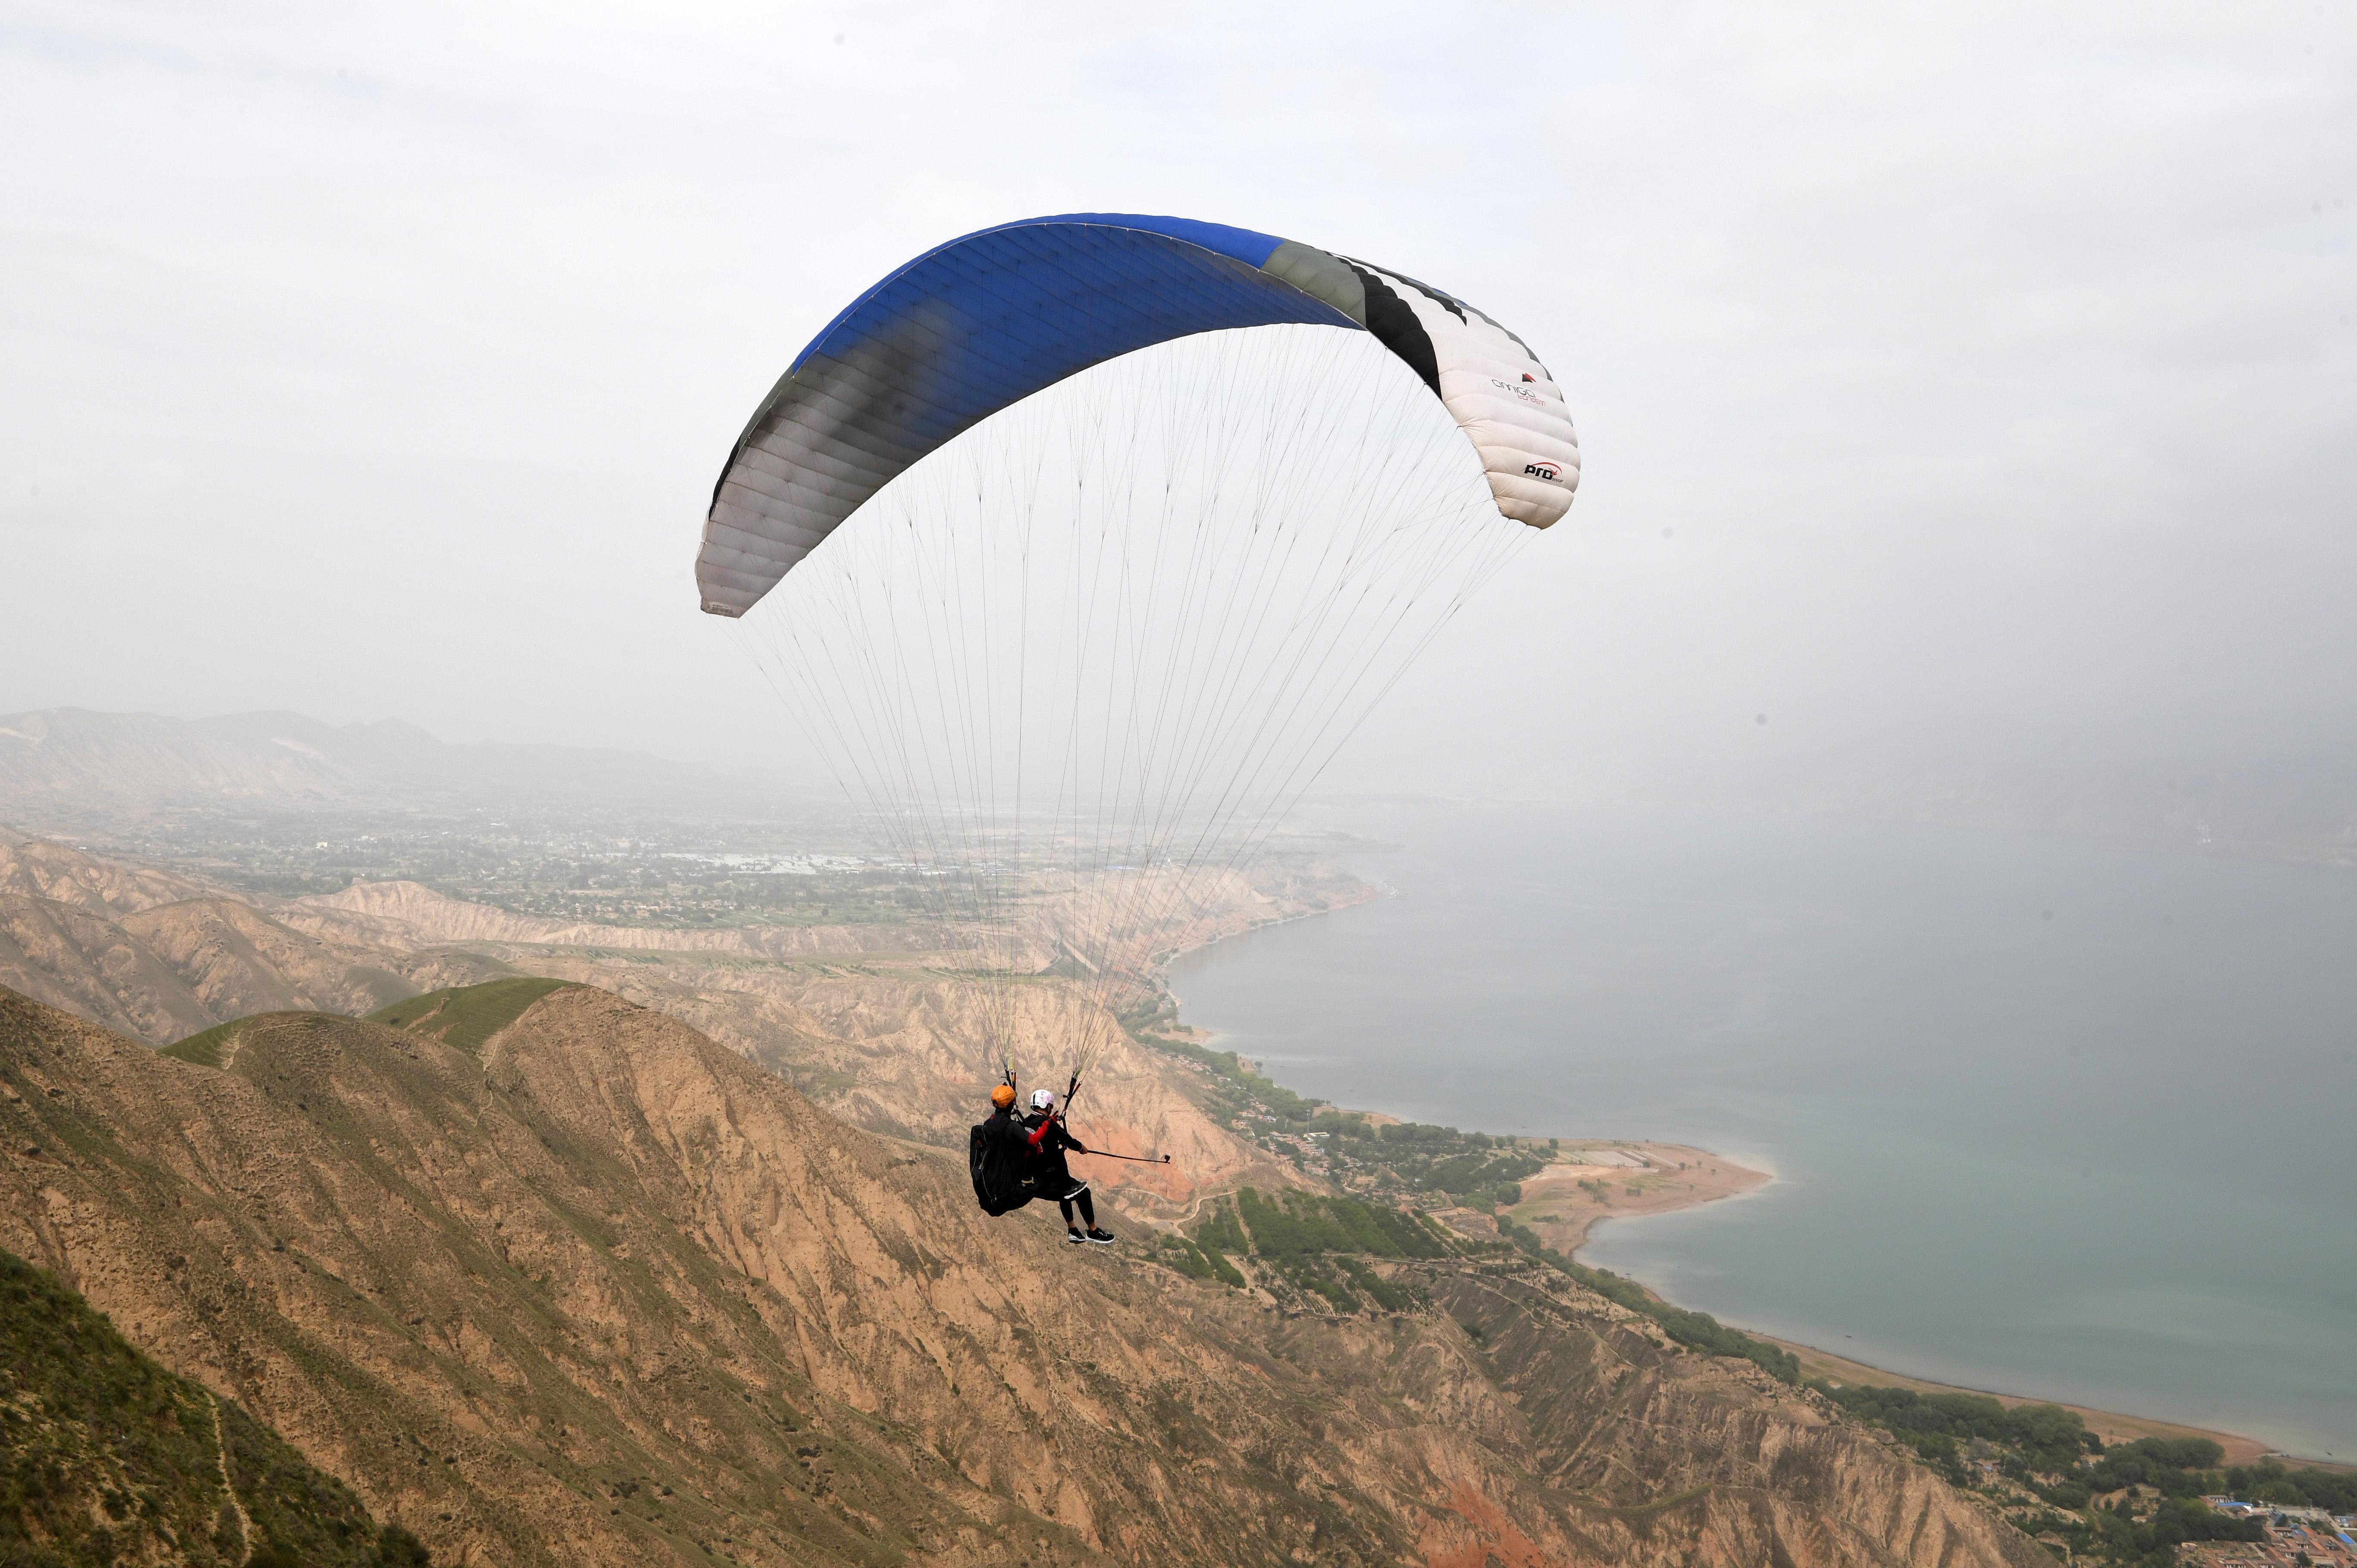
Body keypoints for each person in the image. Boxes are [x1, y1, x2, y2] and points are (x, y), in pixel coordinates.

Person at [1022, 1088, 1113, 1245]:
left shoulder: (1025, 1122)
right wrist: (1081, 1148)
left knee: (1066, 1192)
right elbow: (1068, 1140)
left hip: (1036, 1176)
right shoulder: (1049, 1125)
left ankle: (1073, 1231)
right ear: (1048, 1106)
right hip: (1052, 1175)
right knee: (1083, 1192)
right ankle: (1093, 1231)